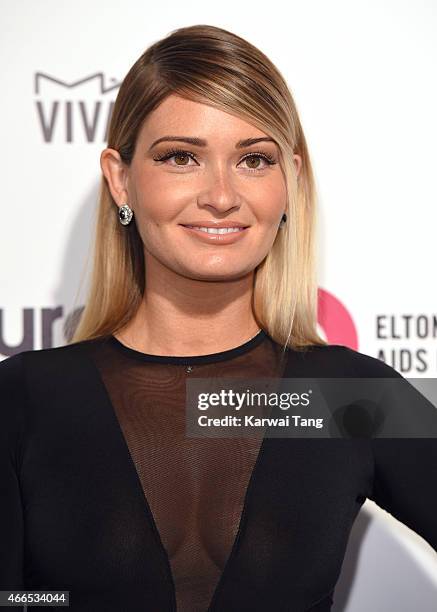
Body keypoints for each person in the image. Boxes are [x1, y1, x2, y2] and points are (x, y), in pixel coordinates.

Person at [0, 23, 436, 612]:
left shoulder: (345, 397)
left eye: (254, 160)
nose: (222, 196)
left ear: (291, 182)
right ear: (120, 178)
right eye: (181, 156)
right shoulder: (24, 397)